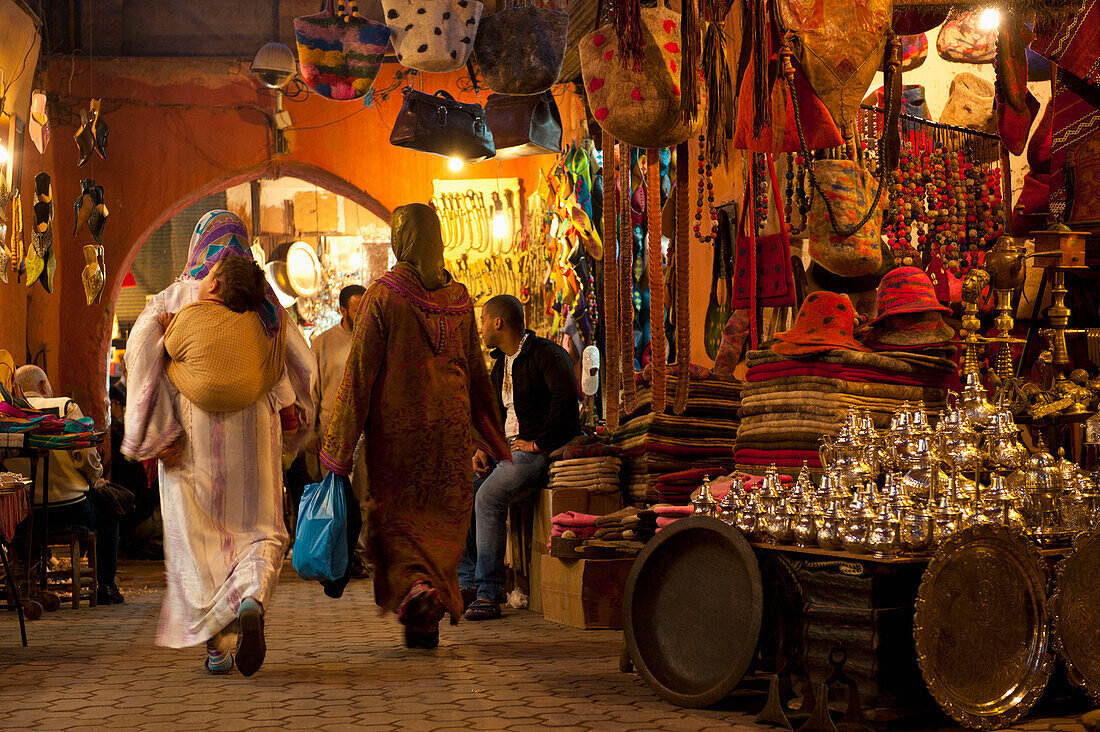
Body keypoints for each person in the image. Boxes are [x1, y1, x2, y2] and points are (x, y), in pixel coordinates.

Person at [123, 210, 314, 677]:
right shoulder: (265, 301)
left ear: (198, 246)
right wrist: (298, 425)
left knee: (198, 545)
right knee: (260, 532)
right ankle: (250, 597)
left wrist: (154, 434)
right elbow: (304, 369)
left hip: (191, 443)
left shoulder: (173, 296)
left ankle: (216, 646)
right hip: (256, 435)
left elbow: (142, 361)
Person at [320, 203, 509, 650]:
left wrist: (337, 452)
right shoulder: (461, 300)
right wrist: (489, 432)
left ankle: (417, 594)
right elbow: (477, 374)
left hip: (399, 435)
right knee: (440, 525)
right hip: (449, 437)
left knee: (398, 524)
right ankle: (426, 615)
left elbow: (359, 375)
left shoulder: (383, 296)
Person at [459, 294, 581, 621]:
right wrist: (483, 448)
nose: (481, 328)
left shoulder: (548, 355)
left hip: (535, 455)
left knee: (488, 498)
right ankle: (466, 582)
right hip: (506, 453)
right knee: (459, 488)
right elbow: (493, 416)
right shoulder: (501, 365)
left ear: (498, 322)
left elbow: (566, 402)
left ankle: (487, 592)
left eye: (483, 320)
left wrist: (538, 444)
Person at [3, 365, 124, 605]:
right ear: (43, 386)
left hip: (24, 514)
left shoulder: (9, 415)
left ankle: (26, 578)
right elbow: (87, 455)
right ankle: (106, 585)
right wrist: (95, 478)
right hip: (71, 507)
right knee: (111, 511)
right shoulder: (64, 407)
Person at [309, 284, 371, 586]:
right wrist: (313, 431)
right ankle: (334, 557)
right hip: (332, 434)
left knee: (361, 497)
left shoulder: (372, 341)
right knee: (335, 499)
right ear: (343, 310)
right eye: (356, 309)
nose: (361, 315)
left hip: (365, 433)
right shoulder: (322, 343)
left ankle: (355, 555)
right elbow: (313, 391)